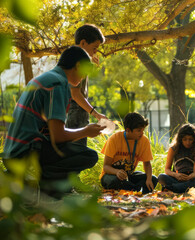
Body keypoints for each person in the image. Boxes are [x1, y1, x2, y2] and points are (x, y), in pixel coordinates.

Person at [3, 46, 105, 197]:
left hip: (13, 151)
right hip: (26, 152)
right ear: (77, 66)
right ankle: (39, 183)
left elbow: (55, 133)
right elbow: (58, 136)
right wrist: (86, 131)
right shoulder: (57, 84)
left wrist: (84, 131)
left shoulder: (48, 78)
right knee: (88, 156)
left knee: (70, 148)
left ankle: (41, 184)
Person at [66, 24, 107, 146]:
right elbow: (76, 94)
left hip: (80, 111)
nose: (95, 52)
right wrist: (95, 113)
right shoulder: (74, 61)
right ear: (83, 43)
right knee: (76, 153)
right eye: (94, 48)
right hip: (75, 111)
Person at [100, 112, 157, 193]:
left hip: (128, 176)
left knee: (153, 179)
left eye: (143, 130)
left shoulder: (144, 140)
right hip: (111, 175)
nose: (142, 133)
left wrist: (148, 179)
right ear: (128, 130)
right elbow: (106, 166)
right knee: (114, 181)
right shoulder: (114, 139)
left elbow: (147, 164)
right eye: (139, 130)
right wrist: (117, 172)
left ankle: (132, 189)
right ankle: (135, 189)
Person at [158, 123, 195, 193]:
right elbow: (167, 170)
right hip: (177, 178)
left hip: (191, 179)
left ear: (194, 139)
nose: (188, 142)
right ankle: (183, 187)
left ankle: (176, 188)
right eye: (185, 139)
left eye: (190, 139)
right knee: (161, 177)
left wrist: (190, 177)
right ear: (180, 139)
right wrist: (176, 175)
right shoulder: (173, 149)